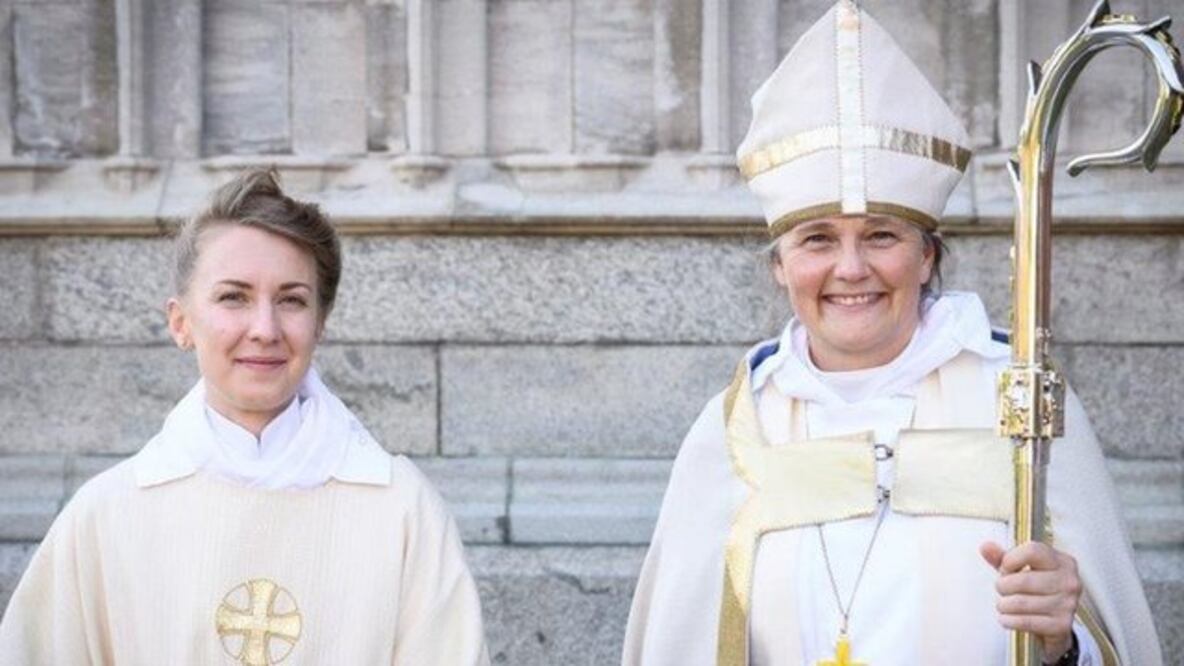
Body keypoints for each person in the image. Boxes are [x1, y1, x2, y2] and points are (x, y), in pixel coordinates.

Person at [622, 2, 1161, 665]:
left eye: (881, 236)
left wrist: (1062, 641)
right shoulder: (737, 429)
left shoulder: (1022, 403)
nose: (851, 269)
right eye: (818, 240)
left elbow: (1108, 642)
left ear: (927, 256)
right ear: (780, 266)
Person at [0, 168, 490, 665]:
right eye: (233, 297)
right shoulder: (105, 516)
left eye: (291, 300)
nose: (264, 329)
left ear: (320, 322)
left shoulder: (401, 510)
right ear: (181, 322)